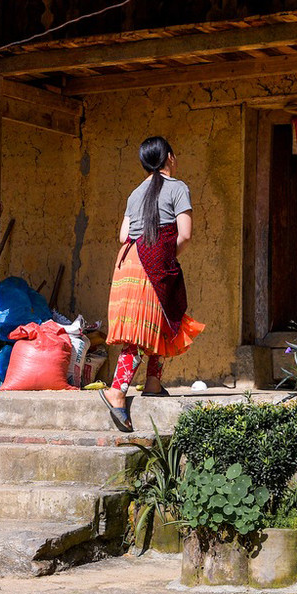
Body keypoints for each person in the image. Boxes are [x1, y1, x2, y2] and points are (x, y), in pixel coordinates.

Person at [100, 136, 204, 430]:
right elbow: (184, 234)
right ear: (170, 157)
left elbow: (123, 235)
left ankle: (154, 382)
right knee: (142, 330)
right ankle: (117, 391)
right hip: (153, 260)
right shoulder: (177, 188)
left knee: (156, 320)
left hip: (129, 261)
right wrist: (166, 257)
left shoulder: (135, 193)